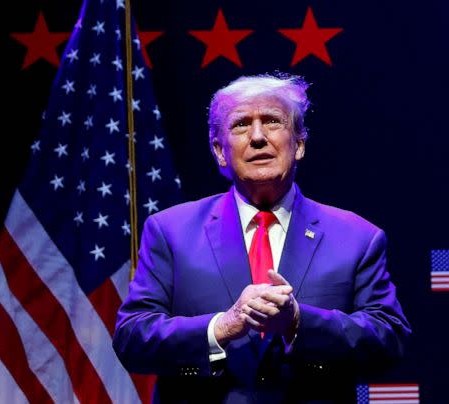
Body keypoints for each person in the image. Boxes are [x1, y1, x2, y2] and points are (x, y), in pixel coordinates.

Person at [112, 74, 411, 403]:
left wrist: (298, 321)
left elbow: (390, 340)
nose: (257, 137)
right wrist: (221, 327)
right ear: (219, 151)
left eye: (271, 121)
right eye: (241, 124)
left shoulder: (357, 237)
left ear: (298, 144)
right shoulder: (170, 230)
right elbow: (131, 338)